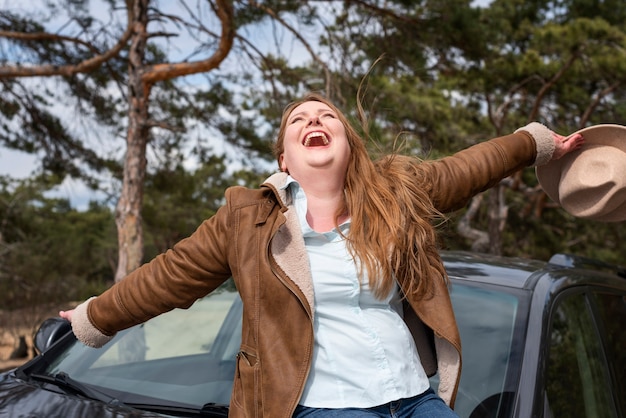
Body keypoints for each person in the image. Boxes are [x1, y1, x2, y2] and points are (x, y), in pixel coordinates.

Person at [60, 92, 583, 418]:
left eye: (326, 114)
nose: (314, 119)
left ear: (347, 142)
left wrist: (537, 142)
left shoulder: (398, 193)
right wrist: (90, 318)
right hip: (321, 406)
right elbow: (168, 276)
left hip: (413, 398)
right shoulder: (246, 219)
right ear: (284, 156)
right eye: (299, 119)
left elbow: (472, 166)